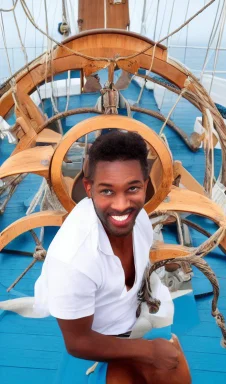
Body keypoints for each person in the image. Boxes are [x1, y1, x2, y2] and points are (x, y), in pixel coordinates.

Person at [34, 130, 191, 384]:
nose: (121, 205)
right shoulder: (72, 259)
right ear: (89, 188)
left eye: (132, 188)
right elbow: (77, 342)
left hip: (136, 319)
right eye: (107, 191)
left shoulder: (139, 221)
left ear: (145, 185)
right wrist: (149, 352)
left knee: (177, 373)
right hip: (100, 340)